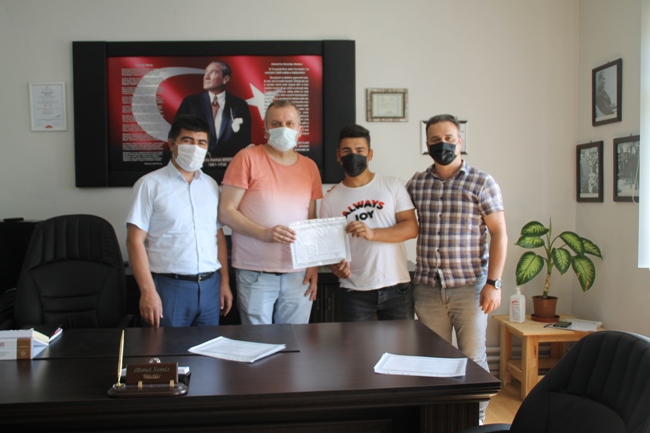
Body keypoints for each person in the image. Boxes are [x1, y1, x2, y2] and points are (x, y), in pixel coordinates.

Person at [406, 114, 507, 422]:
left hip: (470, 288)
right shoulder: (416, 184)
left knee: (473, 358)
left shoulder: (482, 182)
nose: (443, 145)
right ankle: (440, 419)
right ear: (426, 144)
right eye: (435, 140)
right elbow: (399, 222)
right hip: (427, 288)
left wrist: (494, 283)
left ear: (460, 141)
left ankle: (475, 420)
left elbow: (499, 233)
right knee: (434, 359)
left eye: (449, 139)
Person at [218, 100, 322, 325]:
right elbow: (226, 212)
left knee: (295, 341)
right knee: (258, 342)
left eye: (289, 123)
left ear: (300, 130)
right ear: (266, 129)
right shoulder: (246, 158)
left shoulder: (310, 167)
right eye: (276, 124)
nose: (283, 128)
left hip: (298, 275)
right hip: (255, 274)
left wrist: (313, 265)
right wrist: (264, 233)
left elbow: (311, 220)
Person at [126, 114, 232, 327]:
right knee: (166, 347)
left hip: (210, 287)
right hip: (169, 287)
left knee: (209, 348)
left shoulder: (211, 185)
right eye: (187, 140)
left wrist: (225, 282)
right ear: (172, 144)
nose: (195, 147)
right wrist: (147, 291)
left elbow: (218, 236)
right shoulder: (150, 184)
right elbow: (134, 241)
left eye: (201, 142)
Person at [319, 124, 418, 321]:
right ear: (338, 155)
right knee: (356, 342)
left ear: (370, 154)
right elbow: (327, 247)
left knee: (403, 341)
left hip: (396, 286)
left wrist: (373, 233)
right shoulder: (330, 200)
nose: (353, 156)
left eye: (359, 150)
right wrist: (335, 266)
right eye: (347, 151)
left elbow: (411, 228)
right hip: (354, 290)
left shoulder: (392, 185)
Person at [175, 61, 252, 158]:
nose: (206, 77)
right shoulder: (190, 102)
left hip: (230, 163)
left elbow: (245, 140)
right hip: (196, 161)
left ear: (225, 79)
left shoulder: (240, 105)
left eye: (213, 72)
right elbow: (176, 133)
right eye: (206, 72)